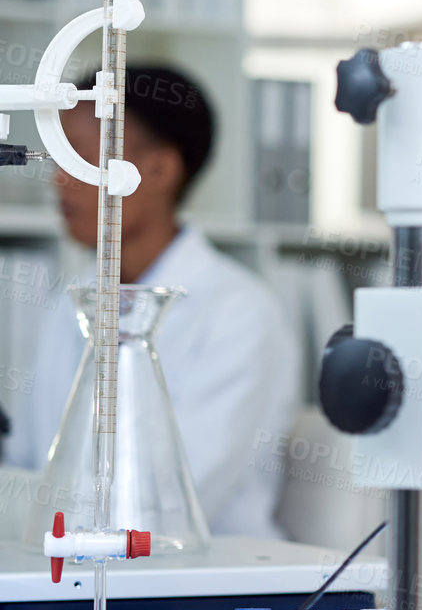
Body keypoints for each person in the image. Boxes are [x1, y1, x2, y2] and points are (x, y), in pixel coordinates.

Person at [5, 64, 299, 539]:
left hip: (204, 588)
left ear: (159, 170)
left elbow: (170, 506)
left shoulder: (239, 314)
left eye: (80, 157)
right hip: (69, 569)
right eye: (58, 159)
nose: (59, 181)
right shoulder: (70, 302)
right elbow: (28, 465)